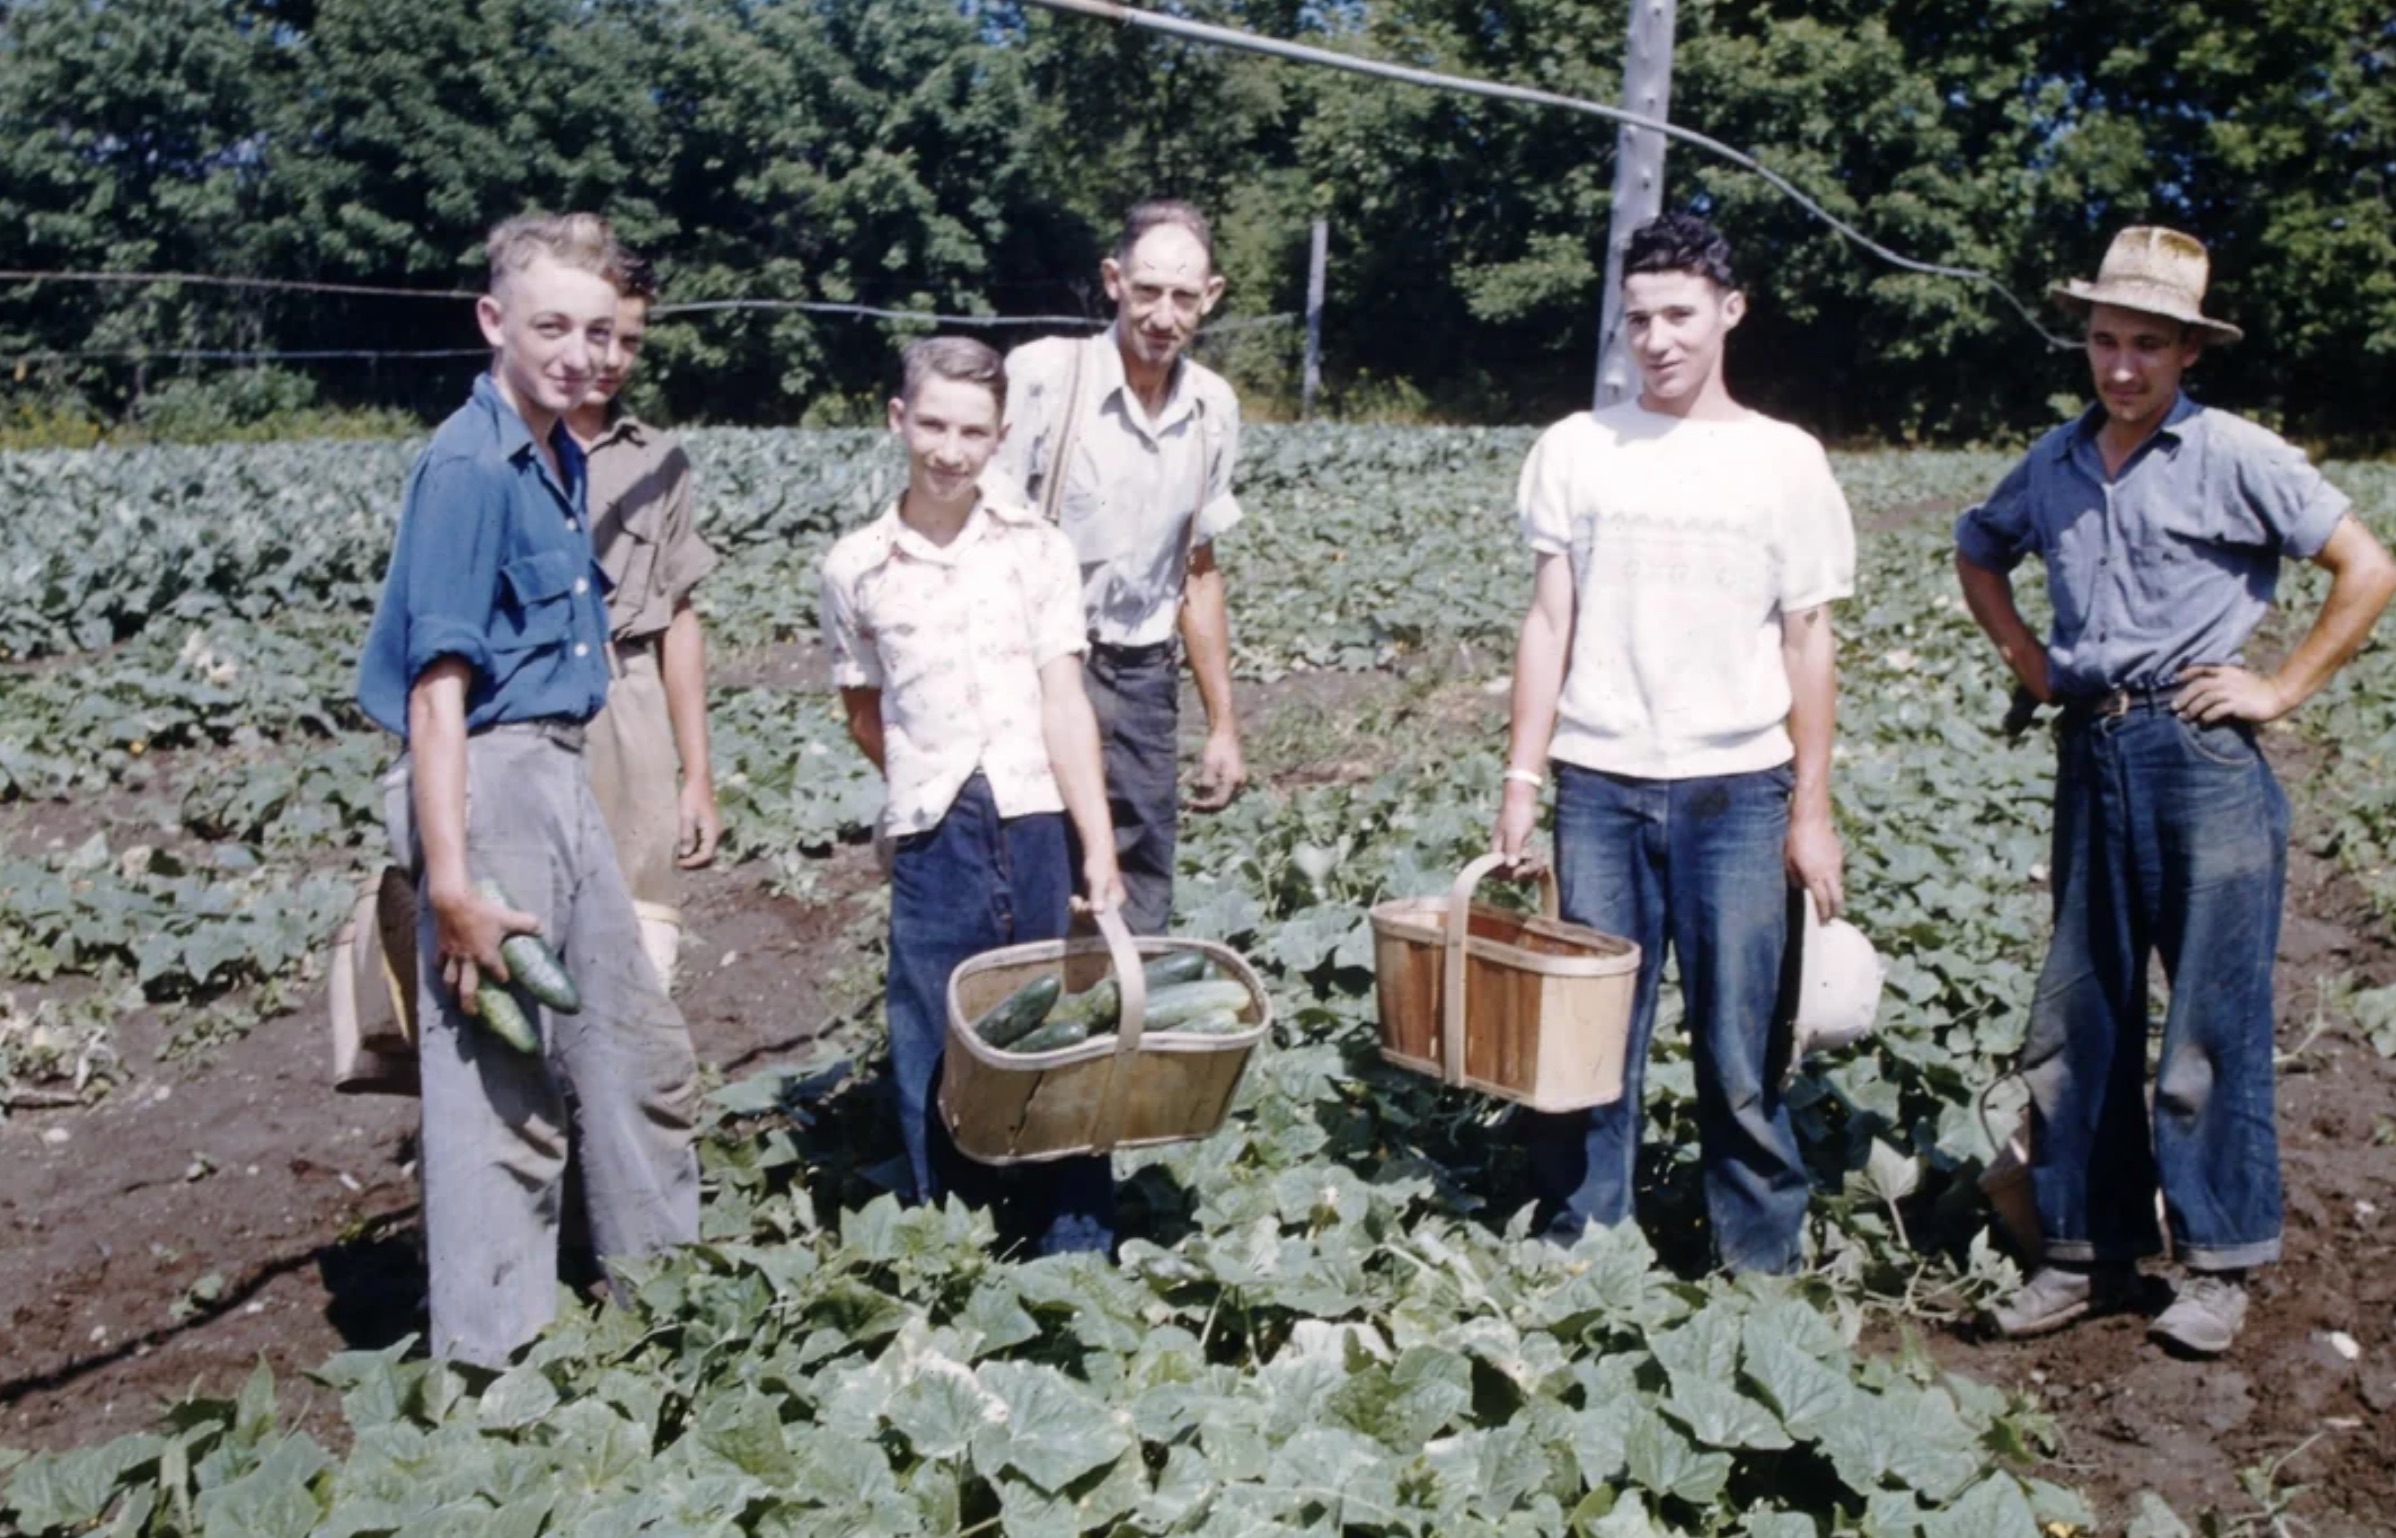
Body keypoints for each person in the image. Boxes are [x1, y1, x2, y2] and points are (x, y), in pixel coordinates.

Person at [1957, 226, 2396, 1354]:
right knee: (2082, 1010)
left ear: (2188, 352)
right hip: (2090, 749)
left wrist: (2279, 688)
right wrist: (2027, 660)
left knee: (2208, 1017)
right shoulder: (2054, 460)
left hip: (2200, 758)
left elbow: (2366, 567)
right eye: (2104, 340)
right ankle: (2083, 1252)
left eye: (2146, 346)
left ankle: (2218, 1261)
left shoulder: (2237, 454)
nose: (2120, 366)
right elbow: (1978, 547)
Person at [356, 212, 700, 1365]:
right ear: (493, 321)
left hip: (558, 772)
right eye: (551, 327)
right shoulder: (468, 466)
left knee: (636, 1053)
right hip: (489, 784)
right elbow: (436, 692)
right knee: (498, 1092)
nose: (579, 353)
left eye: (599, 332)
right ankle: (493, 1369)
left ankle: (670, 1312)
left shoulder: (554, 452)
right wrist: (451, 883)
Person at [1490, 212, 1855, 1273]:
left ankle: (1758, 1259)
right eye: (1638, 318)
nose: (1657, 339)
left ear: (1729, 313)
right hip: (1599, 782)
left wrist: (1811, 810)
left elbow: (1808, 642)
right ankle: (1586, 1248)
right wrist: (1521, 777)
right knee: (1593, 1031)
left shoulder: (1784, 460)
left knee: (1742, 1042)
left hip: (1737, 788)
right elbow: (1547, 621)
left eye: (1680, 316)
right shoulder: (1576, 447)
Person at [820, 336, 1127, 1256]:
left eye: (973, 432)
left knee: (1055, 1017)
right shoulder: (856, 567)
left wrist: (1097, 845)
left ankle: (1072, 1246)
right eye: (934, 426)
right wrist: (928, 783)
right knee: (933, 1029)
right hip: (932, 829)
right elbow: (863, 709)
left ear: (999, 437)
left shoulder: (1036, 550)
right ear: (898, 421)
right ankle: (953, 1246)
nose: (950, 451)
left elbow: (1064, 701)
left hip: (1034, 815)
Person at [992, 198, 1248, 935]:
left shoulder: (1213, 408)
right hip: (1038, 668)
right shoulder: (1044, 377)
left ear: (1210, 296)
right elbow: (984, 542)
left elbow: (1198, 569)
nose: (1164, 317)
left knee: (1139, 876)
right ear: (1113, 282)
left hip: (1143, 677)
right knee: (1034, 861)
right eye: (1147, 291)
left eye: (1184, 297)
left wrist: (1223, 725)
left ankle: (1127, 1003)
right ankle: (1029, 998)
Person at [565, 251, 722, 989]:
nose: (613, 359)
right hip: (527, 695)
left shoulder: (659, 460)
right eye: (601, 336)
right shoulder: (502, 447)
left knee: (639, 916)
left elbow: (679, 621)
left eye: (630, 341)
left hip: (628, 694)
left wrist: (698, 776)